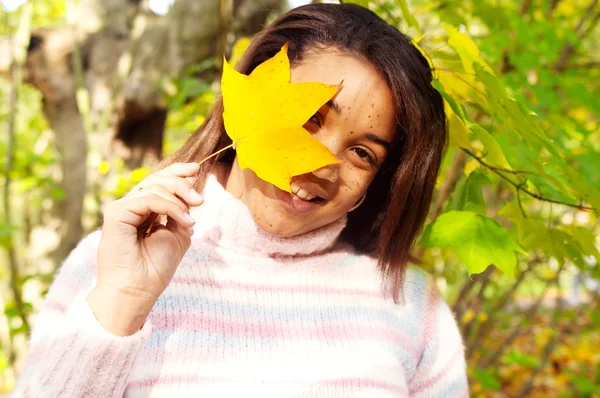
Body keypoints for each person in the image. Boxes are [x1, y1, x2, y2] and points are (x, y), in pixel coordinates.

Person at [14, 3, 468, 397]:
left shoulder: (410, 306)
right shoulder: (108, 265)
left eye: (362, 153)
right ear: (243, 104)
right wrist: (125, 299)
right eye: (310, 120)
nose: (321, 163)